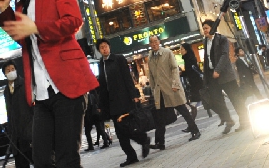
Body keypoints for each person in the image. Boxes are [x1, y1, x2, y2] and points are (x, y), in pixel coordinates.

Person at [0, 0, 98, 168]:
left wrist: (36, 27)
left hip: (67, 86)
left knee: (67, 158)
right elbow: (22, 39)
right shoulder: (20, 5)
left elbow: (73, 21)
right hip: (40, 93)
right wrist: (4, 9)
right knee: (40, 160)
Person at [97, 39, 150, 167]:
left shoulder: (118, 59)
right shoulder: (101, 63)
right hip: (111, 103)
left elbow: (127, 77)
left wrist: (134, 95)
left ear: (109, 47)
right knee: (120, 132)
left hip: (123, 99)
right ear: (99, 50)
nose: (104, 49)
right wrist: (101, 105)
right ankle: (131, 156)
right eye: (101, 47)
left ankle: (143, 139)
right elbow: (102, 86)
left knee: (126, 127)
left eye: (105, 46)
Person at [147, 35, 200, 149]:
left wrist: (175, 84)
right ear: (150, 44)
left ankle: (195, 131)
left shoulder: (167, 53)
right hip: (159, 91)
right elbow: (150, 75)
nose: (154, 44)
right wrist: (153, 89)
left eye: (155, 41)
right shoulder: (150, 56)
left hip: (171, 88)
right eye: (151, 42)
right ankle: (160, 143)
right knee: (159, 117)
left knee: (183, 111)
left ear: (159, 42)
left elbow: (175, 69)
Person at [201, 19, 246, 134]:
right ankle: (228, 120)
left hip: (225, 75)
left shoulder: (222, 39)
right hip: (212, 76)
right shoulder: (205, 41)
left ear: (212, 28)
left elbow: (224, 55)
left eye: (206, 28)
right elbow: (207, 59)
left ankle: (245, 121)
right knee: (216, 100)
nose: (204, 30)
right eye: (203, 28)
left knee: (235, 98)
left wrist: (218, 70)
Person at [2, 60, 34, 168]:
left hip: (29, 134)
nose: (11, 72)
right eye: (8, 70)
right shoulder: (6, 91)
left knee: (40, 162)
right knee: (21, 164)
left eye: (12, 69)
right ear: (5, 74)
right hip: (16, 140)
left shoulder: (25, 84)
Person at [179, 43, 208, 118]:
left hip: (196, 84)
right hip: (194, 84)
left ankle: (191, 122)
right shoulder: (187, 58)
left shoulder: (190, 59)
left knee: (194, 103)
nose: (180, 51)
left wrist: (181, 73)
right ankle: (192, 122)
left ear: (186, 50)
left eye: (182, 49)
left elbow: (192, 71)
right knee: (195, 103)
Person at [84, 85, 111, 150]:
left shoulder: (88, 96)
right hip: (96, 114)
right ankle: (106, 141)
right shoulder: (94, 94)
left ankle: (91, 146)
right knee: (100, 129)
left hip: (91, 116)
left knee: (89, 131)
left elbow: (88, 107)